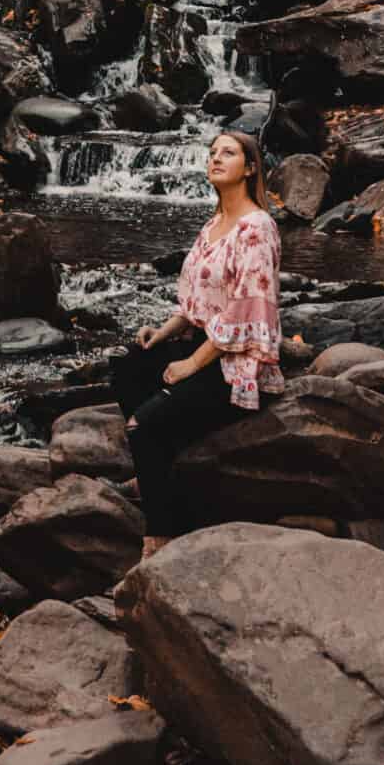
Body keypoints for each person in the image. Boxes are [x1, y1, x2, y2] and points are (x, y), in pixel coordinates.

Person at [110, 129, 284, 542]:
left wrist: (191, 363)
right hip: (204, 343)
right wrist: (164, 332)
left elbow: (245, 309)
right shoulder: (214, 225)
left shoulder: (256, 228)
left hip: (237, 362)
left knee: (143, 427)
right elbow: (196, 303)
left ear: (251, 167)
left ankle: (162, 536)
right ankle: (161, 469)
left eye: (228, 153)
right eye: (212, 153)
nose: (216, 158)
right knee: (125, 365)